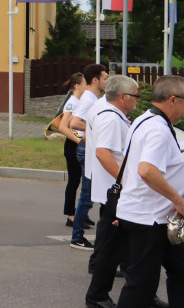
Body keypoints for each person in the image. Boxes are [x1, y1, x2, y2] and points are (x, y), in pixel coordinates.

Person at [112, 75, 184, 308]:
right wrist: (178, 200)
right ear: (172, 100)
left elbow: (129, 162)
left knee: (179, 269)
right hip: (149, 220)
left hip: (150, 215)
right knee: (141, 284)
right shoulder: (158, 129)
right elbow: (146, 170)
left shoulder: (145, 119)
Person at [82, 75, 139, 307]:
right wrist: (124, 182)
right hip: (115, 192)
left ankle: (140, 291)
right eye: (136, 96)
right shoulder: (111, 119)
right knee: (111, 247)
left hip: (111, 190)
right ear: (123, 97)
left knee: (122, 247)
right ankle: (97, 296)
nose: (137, 100)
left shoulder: (108, 112)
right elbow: (103, 153)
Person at [69, 63, 109, 250]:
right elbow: (74, 122)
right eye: (105, 78)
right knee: (87, 196)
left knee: (90, 194)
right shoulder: (89, 99)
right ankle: (77, 237)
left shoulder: (93, 98)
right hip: (87, 150)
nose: (106, 81)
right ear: (95, 80)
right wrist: (95, 128)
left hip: (88, 148)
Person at [56, 72, 87, 227]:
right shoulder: (72, 102)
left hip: (79, 143)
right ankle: (71, 215)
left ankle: (82, 212)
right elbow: (63, 126)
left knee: (83, 180)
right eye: (85, 83)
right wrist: (79, 141)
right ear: (77, 86)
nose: (87, 86)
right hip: (73, 144)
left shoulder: (81, 101)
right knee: (74, 181)